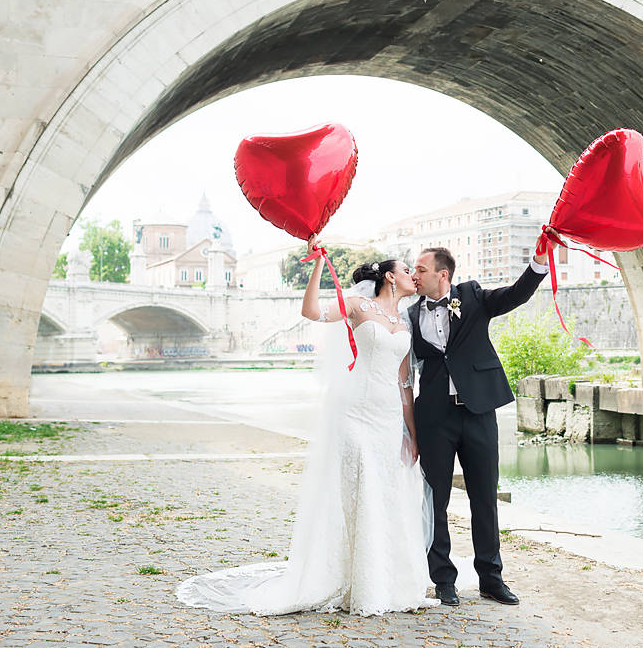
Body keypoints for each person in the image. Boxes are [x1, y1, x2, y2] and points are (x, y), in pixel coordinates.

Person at [176, 239, 437, 617]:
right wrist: (318, 266)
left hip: (385, 420)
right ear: (389, 277)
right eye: (406, 268)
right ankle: (351, 580)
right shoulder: (357, 305)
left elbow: (404, 384)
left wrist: (410, 434)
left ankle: (385, 578)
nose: (413, 274)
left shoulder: (404, 321)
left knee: (387, 493)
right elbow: (311, 310)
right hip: (354, 413)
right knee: (358, 490)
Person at [409, 229, 556, 607]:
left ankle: (491, 579)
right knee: (434, 499)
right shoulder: (409, 314)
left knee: (484, 499)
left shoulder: (472, 296)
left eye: (421, 269)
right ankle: (443, 579)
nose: (414, 274)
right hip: (434, 418)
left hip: (478, 413)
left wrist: (538, 261)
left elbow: (515, 295)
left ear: (443, 274)